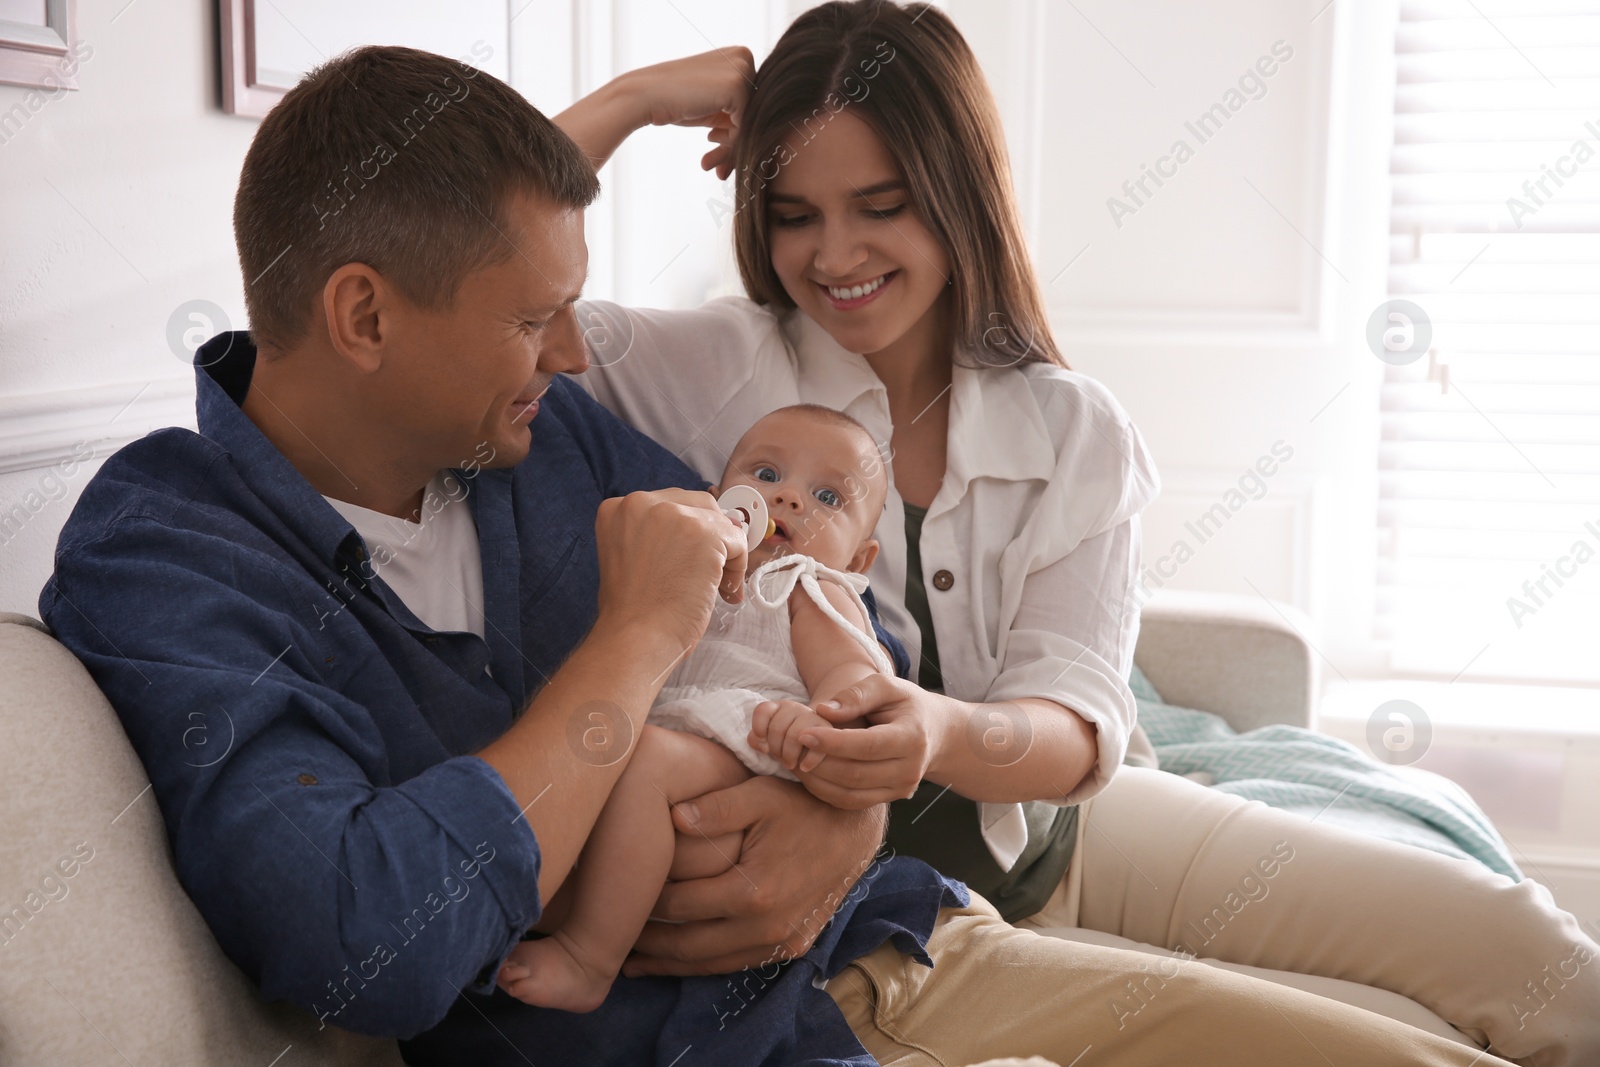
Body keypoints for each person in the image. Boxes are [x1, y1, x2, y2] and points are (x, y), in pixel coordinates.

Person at [29, 34, 1560, 1067]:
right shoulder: (172, 555)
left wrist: (843, 796)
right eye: (530, 319)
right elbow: (368, 948)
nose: (570, 351)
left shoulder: (534, 430)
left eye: (886, 206)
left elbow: (837, 628)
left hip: (903, 927)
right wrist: (634, 645)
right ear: (364, 317)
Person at [553, 2, 1600, 1064]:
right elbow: (488, 280)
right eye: (792, 214)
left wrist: (937, 732)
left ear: (957, 194)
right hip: (895, 918)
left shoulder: (1071, 425)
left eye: (882, 204)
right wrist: (631, 102)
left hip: (1069, 839)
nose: (834, 254)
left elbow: (1079, 719)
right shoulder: (708, 367)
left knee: (1519, 945)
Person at [496, 404, 904, 1011]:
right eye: (766, 476)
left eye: (826, 496)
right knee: (585, 778)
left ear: (859, 560)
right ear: (718, 498)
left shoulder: (807, 584)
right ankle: (529, 917)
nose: (788, 499)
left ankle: (589, 959)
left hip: (753, 745)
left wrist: (821, 721)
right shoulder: (688, 561)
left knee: (645, 765)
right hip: (678, 731)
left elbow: (851, 674)